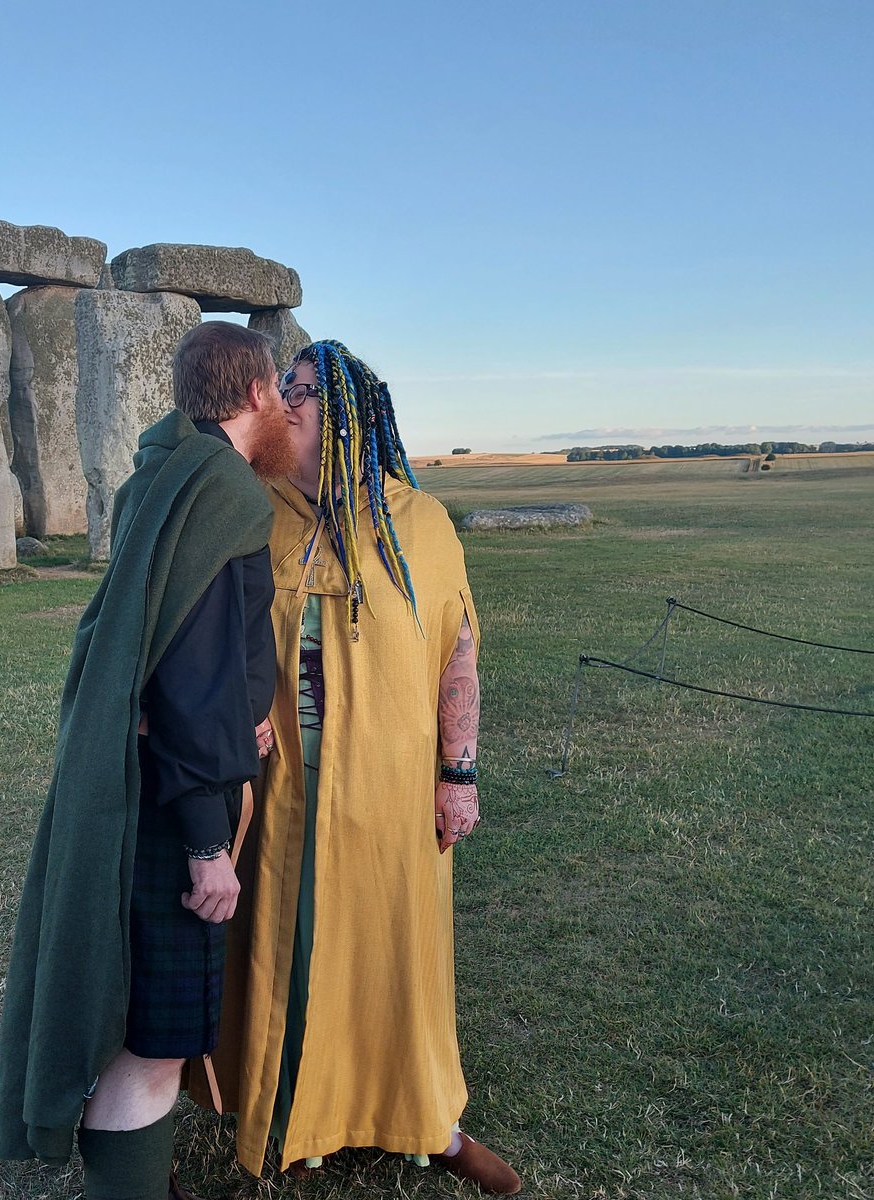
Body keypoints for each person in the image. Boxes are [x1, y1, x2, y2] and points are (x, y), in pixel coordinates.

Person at [0, 321, 297, 1200]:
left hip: (136, 784)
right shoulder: (228, 494)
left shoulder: (159, 472)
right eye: (279, 394)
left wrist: (244, 718)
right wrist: (208, 841)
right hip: (175, 806)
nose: (284, 410)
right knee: (153, 1043)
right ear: (252, 396)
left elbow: (171, 645)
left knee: (134, 1023)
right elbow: (190, 674)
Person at [214, 340, 522, 1193]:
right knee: (294, 953)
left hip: (389, 801)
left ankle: (430, 1122)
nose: (283, 405)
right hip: (281, 799)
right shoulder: (251, 511)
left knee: (396, 959)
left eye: (302, 393)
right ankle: (298, 1121)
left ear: (349, 411)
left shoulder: (416, 523)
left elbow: (458, 648)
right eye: (280, 391)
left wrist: (457, 775)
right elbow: (208, 640)